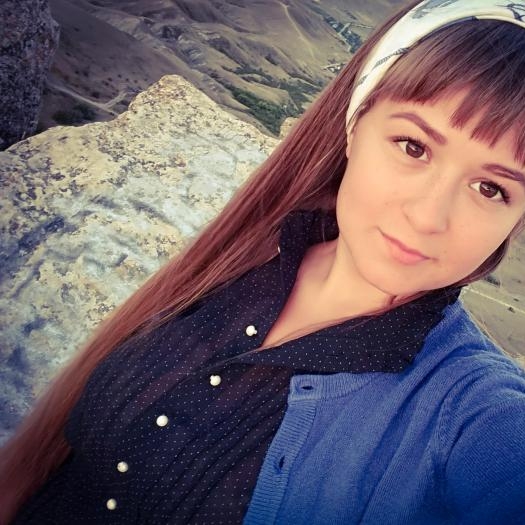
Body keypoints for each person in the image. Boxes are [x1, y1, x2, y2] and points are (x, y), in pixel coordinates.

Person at [2, 0, 525, 523]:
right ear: (354, 125)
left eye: (491, 188)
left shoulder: (474, 413)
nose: (428, 217)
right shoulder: (246, 250)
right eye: (412, 146)